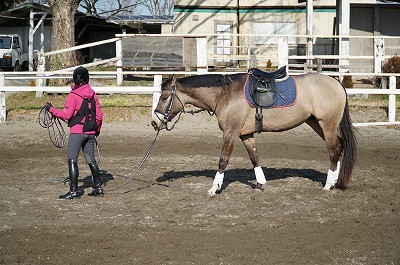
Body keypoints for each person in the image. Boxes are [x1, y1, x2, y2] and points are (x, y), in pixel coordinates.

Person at [45, 66, 104, 199]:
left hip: (77, 132)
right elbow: (99, 115)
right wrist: (96, 130)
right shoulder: (93, 94)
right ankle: (97, 187)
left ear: (74, 80)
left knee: (72, 159)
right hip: (90, 132)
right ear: (87, 79)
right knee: (91, 160)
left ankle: (74, 190)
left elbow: (66, 115)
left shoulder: (73, 95)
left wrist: (51, 109)